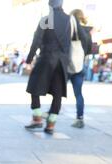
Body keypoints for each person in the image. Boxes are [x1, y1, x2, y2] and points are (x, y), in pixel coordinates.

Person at [25, 0, 71, 134]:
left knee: (34, 87)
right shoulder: (69, 20)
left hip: (46, 58)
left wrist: (29, 59)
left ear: (50, 5)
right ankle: (51, 124)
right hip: (62, 61)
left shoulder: (46, 19)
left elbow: (37, 40)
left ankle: (37, 118)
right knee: (57, 93)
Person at [69, 9, 93, 129]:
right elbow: (89, 50)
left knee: (57, 90)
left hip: (68, 64)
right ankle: (80, 118)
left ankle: (52, 115)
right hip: (80, 65)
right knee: (78, 93)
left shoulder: (71, 29)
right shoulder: (88, 32)